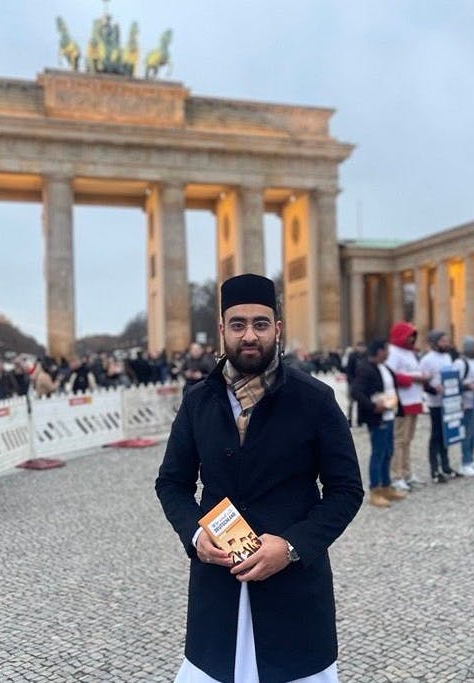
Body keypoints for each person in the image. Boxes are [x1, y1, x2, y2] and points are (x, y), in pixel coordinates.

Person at [156, 273, 363, 683]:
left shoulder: (315, 400)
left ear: (278, 329)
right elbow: (171, 484)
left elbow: (346, 490)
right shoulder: (198, 401)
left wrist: (290, 547)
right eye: (238, 324)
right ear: (222, 331)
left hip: (294, 593)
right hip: (218, 594)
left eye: (260, 324)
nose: (249, 335)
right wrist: (197, 537)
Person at [351, 339, 404, 508]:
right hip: (377, 417)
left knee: (388, 452)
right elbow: (356, 392)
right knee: (378, 453)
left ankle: (386, 486)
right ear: (379, 351)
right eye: (386, 349)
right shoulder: (365, 368)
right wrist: (373, 406)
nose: (388, 353)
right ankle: (375, 491)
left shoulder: (385, 368)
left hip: (389, 415)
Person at [385, 322, 429, 491]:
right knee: (399, 440)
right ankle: (396, 475)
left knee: (408, 440)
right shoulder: (393, 352)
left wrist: (422, 377)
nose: (412, 338)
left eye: (413, 335)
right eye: (410, 335)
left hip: (414, 400)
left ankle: (407, 472)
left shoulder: (410, 353)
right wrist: (414, 379)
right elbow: (390, 375)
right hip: (402, 401)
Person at [419, 330, 458, 482]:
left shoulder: (448, 357)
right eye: (442, 341)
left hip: (448, 402)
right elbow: (423, 383)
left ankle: (446, 465)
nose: (446, 344)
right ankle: (435, 470)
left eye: (446, 341)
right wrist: (434, 390)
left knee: (445, 434)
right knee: (435, 436)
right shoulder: (427, 360)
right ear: (434, 343)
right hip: (435, 403)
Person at [454, 336, 474, 476]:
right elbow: (453, 383)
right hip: (465, 404)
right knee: (466, 435)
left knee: (473, 434)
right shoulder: (460, 363)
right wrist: (467, 386)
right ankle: (465, 462)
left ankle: (472, 459)